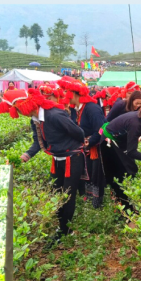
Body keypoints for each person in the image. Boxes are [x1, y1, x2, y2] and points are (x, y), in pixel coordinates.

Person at [4, 88, 84, 245]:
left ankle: (65, 231)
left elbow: (78, 133)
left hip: (72, 159)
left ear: (27, 104)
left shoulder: (54, 115)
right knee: (56, 192)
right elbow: (37, 142)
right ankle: (62, 226)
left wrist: (69, 146)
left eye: (18, 109)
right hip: (56, 159)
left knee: (67, 195)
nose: (19, 113)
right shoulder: (35, 119)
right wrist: (23, 158)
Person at [60, 77, 105, 207]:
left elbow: (101, 130)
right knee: (86, 176)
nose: (64, 95)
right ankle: (87, 201)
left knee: (94, 175)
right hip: (82, 149)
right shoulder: (75, 109)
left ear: (73, 93)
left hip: (94, 149)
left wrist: (89, 142)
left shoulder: (92, 108)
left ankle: (96, 204)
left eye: (66, 91)